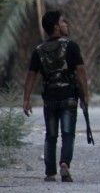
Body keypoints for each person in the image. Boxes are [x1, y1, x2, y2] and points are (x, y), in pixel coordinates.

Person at [23, 11, 89, 183]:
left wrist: (26, 99)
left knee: (50, 135)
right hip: (69, 96)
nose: (66, 23)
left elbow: (31, 75)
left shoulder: (39, 50)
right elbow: (80, 71)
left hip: (49, 98)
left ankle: (50, 172)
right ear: (56, 27)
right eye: (62, 21)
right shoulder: (71, 46)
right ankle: (65, 163)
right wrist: (85, 95)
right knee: (68, 134)